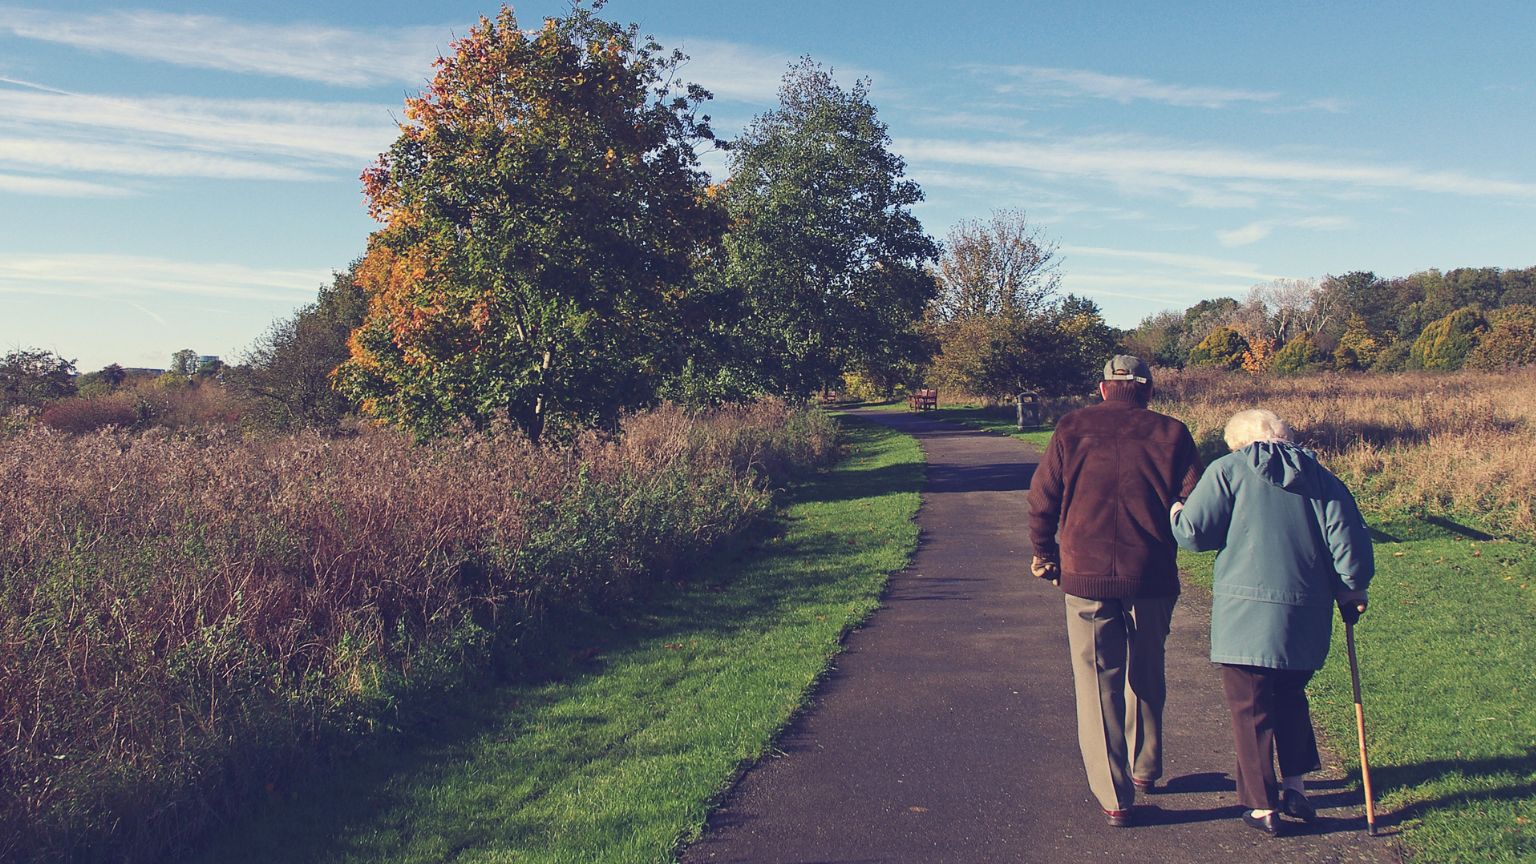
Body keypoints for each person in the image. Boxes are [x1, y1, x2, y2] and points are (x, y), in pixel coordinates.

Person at [1170, 408, 1373, 837]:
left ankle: (1262, 806)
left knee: (1250, 706)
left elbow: (1193, 533)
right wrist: (1353, 589)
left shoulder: (1228, 471)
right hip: (1306, 614)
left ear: (1239, 443)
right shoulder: (1323, 478)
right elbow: (1349, 548)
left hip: (1245, 615)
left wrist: (1175, 511)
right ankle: (1295, 787)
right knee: (1290, 696)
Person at [1027, 355, 1202, 827]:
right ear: (1148, 389)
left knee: (1097, 682)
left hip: (1085, 574)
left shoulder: (1072, 427)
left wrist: (1045, 552)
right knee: (1148, 669)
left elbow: (1042, 498)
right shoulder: (1173, 433)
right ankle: (1146, 767)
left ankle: (1115, 796)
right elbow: (1193, 502)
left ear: (1104, 388)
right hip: (1152, 574)